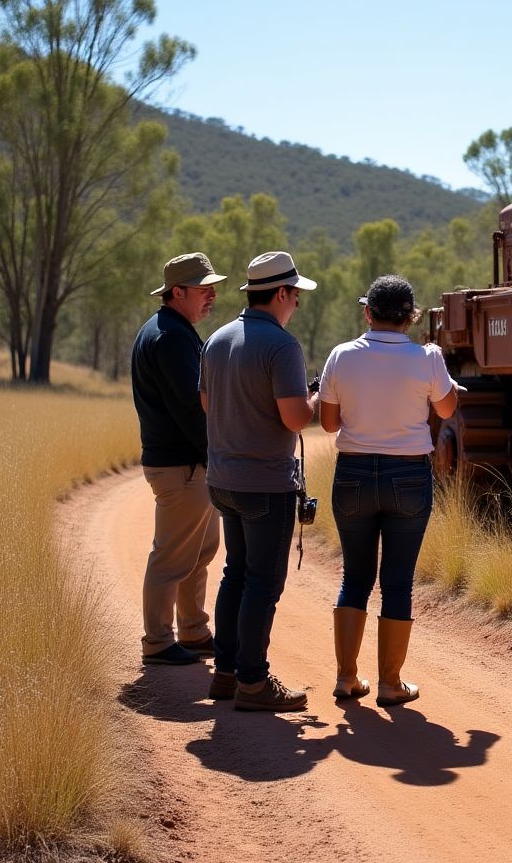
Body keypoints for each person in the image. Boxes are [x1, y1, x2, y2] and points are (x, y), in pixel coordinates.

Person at [319, 274, 458, 706]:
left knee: (355, 576)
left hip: (354, 472)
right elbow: (448, 408)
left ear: (367, 313)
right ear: (410, 317)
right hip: (408, 476)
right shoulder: (428, 357)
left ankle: (347, 678)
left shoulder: (341, 356)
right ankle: (390, 683)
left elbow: (327, 423)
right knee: (397, 581)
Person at [199, 251, 318, 712]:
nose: (297, 305)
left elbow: (208, 405)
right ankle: (253, 681)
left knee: (235, 574)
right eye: (296, 296)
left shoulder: (217, 339)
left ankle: (226, 674)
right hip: (265, 484)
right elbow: (294, 419)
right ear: (282, 293)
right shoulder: (282, 347)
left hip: (223, 479)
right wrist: (315, 397)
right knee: (263, 584)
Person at [132, 252, 227, 666]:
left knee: (198, 553)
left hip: (188, 465)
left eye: (212, 288)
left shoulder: (170, 329)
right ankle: (157, 641)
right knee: (172, 558)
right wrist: (219, 457)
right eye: (203, 289)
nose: (212, 296)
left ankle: (192, 631)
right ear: (177, 292)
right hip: (182, 466)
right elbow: (191, 410)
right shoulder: (170, 336)